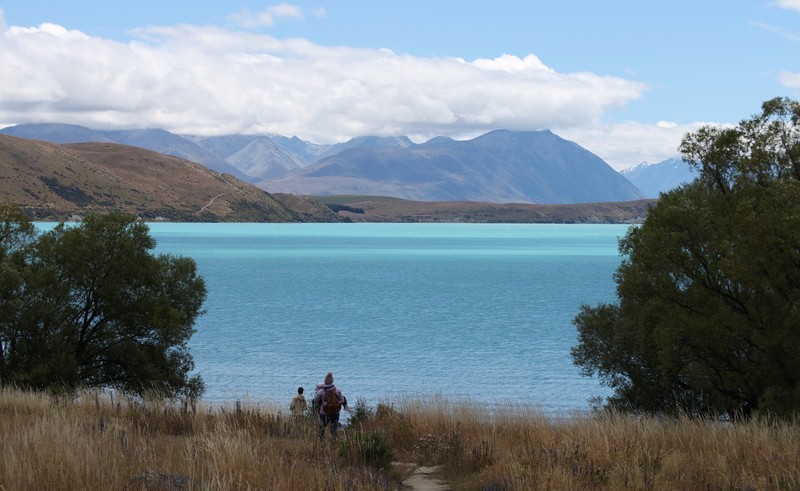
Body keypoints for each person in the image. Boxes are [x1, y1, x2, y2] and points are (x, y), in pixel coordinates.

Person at [313, 371, 345, 441]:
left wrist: (323, 402)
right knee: (334, 427)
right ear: (332, 381)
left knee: (322, 427)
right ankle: (334, 440)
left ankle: (320, 440)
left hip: (324, 412)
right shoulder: (337, 390)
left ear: (325, 381)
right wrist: (337, 402)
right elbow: (342, 400)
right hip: (335, 412)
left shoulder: (321, 391)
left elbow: (315, 401)